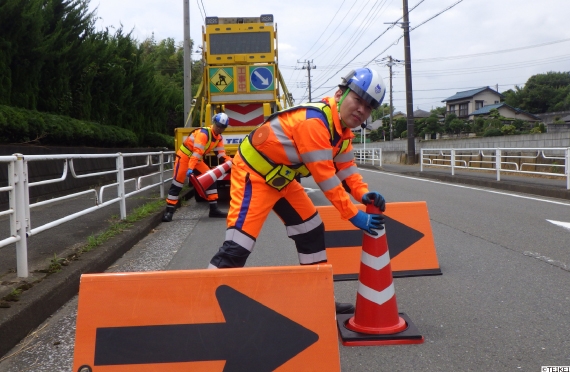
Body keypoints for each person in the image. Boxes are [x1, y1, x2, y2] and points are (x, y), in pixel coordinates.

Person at [207, 67, 388, 314]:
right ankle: (205, 304)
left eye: (368, 107)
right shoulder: (315, 123)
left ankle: (318, 299)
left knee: (310, 229)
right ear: (339, 94)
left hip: (282, 179)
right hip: (254, 174)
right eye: (358, 100)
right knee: (239, 244)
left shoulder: (342, 132)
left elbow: (346, 168)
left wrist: (362, 193)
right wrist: (354, 214)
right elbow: (326, 177)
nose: (361, 110)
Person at [162, 113, 232, 222]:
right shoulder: (204, 134)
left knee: (211, 178)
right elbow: (197, 152)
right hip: (184, 157)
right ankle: (169, 212)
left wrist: (233, 162)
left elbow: (221, 155)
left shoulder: (218, 138)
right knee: (177, 184)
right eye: (218, 125)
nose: (219, 128)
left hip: (196, 159)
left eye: (222, 127)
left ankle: (213, 210)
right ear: (214, 123)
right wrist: (190, 168)